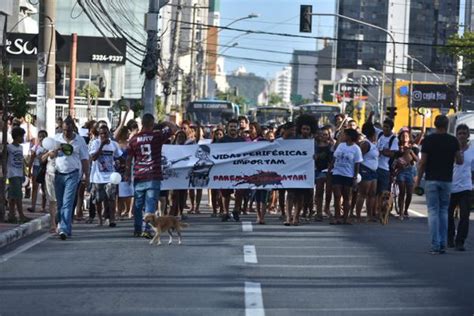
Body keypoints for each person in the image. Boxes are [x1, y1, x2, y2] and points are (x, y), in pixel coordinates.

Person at [415, 115, 463, 254]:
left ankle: (435, 244)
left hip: (431, 179)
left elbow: (422, 162)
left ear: (435, 125)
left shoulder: (428, 140)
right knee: (444, 212)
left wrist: (418, 182)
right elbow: (459, 161)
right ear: (447, 125)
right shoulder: (453, 140)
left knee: (433, 212)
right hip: (447, 180)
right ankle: (443, 243)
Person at [125, 114, 175, 238]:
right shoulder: (157, 136)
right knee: (150, 203)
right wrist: (162, 124)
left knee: (138, 204)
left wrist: (127, 173)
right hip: (153, 175)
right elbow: (174, 128)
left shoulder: (134, 139)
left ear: (142, 123)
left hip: (139, 175)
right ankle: (147, 228)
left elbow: (129, 158)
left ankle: (137, 229)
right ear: (152, 124)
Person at [52, 116, 90, 240]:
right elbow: (50, 155)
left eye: (68, 130)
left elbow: (84, 159)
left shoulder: (80, 140)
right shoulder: (56, 139)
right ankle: (64, 226)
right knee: (60, 204)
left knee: (67, 203)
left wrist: (87, 175)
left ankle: (63, 229)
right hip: (58, 174)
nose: (66, 133)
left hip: (73, 174)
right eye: (63, 130)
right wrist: (55, 151)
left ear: (73, 129)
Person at [89, 125, 122, 227]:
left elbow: (119, 156)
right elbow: (93, 158)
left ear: (109, 134)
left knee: (111, 199)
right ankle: (100, 219)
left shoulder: (114, 144)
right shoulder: (95, 143)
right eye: (101, 134)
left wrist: (119, 162)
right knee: (98, 199)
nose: (103, 135)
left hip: (111, 176)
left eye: (105, 133)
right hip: (98, 177)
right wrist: (101, 146)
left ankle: (112, 219)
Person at [447, 124, 473, 251]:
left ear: (468, 135)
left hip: (466, 188)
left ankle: (460, 241)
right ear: (456, 135)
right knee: (448, 214)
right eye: (460, 133)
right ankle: (450, 238)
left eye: (464, 133)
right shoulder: (451, 150)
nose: (462, 135)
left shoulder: (472, 151)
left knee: (464, 216)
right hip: (451, 187)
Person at [329, 128, 363, 225]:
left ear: (349, 136)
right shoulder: (341, 146)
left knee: (347, 197)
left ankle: (346, 217)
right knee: (337, 196)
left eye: (344, 134)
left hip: (348, 175)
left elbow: (357, 164)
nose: (343, 136)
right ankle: (337, 217)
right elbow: (334, 158)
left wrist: (355, 177)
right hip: (337, 173)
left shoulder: (356, 148)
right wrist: (330, 170)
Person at [217, 119, 246, 222]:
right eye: (231, 126)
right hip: (225, 169)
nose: (233, 128)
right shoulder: (222, 141)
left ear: (238, 128)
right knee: (225, 192)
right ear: (227, 128)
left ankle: (236, 210)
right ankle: (225, 212)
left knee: (240, 191)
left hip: (239, 169)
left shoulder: (242, 140)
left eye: (235, 126)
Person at [355, 122, 379, 222]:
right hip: (365, 169)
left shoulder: (373, 144)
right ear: (372, 134)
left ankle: (369, 215)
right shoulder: (366, 144)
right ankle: (358, 216)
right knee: (363, 193)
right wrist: (357, 172)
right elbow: (359, 158)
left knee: (372, 194)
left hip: (373, 171)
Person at [393, 128, 419, 220]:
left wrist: (411, 152)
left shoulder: (413, 148)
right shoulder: (397, 148)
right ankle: (400, 212)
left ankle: (406, 210)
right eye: (403, 136)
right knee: (402, 192)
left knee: (409, 193)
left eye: (407, 136)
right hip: (401, 172)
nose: (405, 137)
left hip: (410, 171)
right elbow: (395, 161)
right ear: (400, 138)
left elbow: (417, 160)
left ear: (409, 138)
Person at [6, 127, 29, 223]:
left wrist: (24, 172)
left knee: (12, 196)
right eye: (22, 136)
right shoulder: (9, 148)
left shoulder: (21, 147)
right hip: (12, 173)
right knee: (18, 195)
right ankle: (21, 215)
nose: (23, 138)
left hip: (19, 173)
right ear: (17, 137)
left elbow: (22, 161)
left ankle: (11, 215)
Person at [27, 130, 48, 213]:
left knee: (44, 188)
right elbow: (31, 159)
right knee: (35, 187)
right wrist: (29, 170)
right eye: (40, 136)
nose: (42, 138)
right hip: (36, 167)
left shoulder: (48, 148)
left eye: (44, 136)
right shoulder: (35, 147)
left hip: (44, 168)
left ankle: (43, 207)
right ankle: (33, 206)